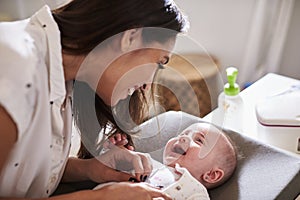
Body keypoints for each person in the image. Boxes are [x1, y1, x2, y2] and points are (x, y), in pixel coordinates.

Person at [0, 0, 189, 199]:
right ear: (130, 37)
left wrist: (89, 169)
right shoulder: (15, 70)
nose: (147, 85)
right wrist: (100, 197)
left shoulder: (67, 79)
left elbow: (20, 169)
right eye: (159, 63)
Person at [96, 122, 237, 199]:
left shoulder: (196, 191)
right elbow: (108, 174)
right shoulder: (148, 164)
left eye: (199, 140)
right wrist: (115, 151)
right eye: (183, 134)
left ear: (211, 175)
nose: (183, 138)